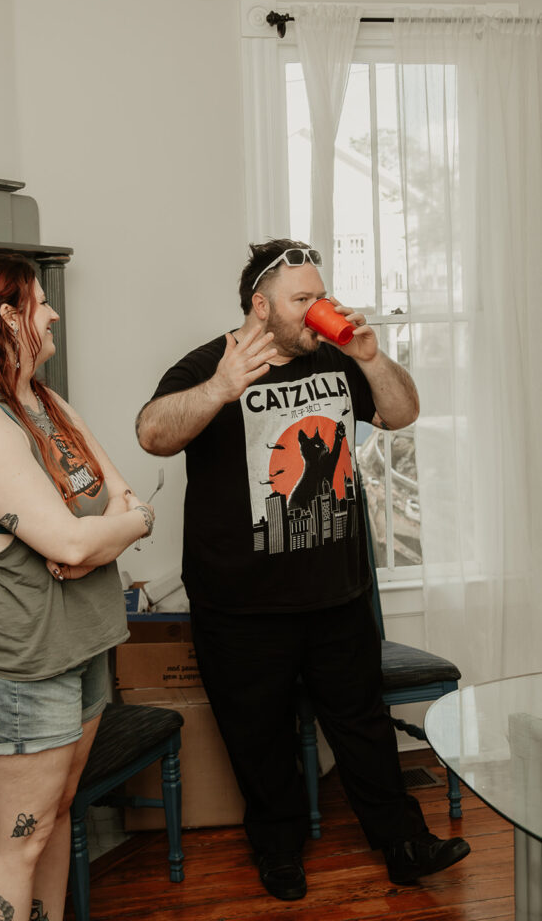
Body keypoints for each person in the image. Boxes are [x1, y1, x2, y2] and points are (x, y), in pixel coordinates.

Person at [136, 239, 470, 901]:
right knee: (259, 739)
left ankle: (404, 843)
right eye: (303, 299)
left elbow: (402, 413)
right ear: (261, 306)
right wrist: (221, 390)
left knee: (362, 725)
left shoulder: (339, 359)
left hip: (334, 592)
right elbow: (153, 433)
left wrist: (372, 358)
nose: (321, 307)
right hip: (240, 602)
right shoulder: (211, 364)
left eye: (321, 293)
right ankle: (279, 850)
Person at [0, 253, 154, 921]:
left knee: (54, 817)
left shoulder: (45, 401)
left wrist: (118, 526)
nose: (54, 312)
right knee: (18, 842)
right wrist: (106, 533)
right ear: (7, 316)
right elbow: (79, 538)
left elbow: (129, 499)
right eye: (41, 301)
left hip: (79, 644)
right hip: (24, 668)